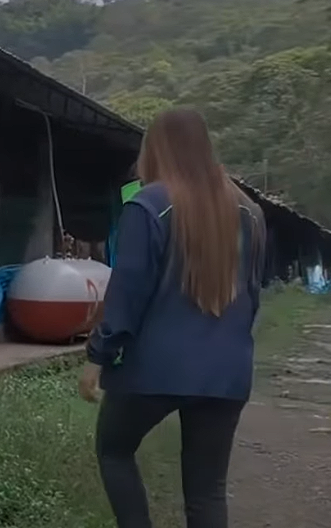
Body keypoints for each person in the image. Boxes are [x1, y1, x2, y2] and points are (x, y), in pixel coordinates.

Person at [79, 107, 265, 528]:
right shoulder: (249, 211)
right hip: (227, 373)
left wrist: (98, 356)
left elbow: (128, 291)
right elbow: (253, 295)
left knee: (114, 449)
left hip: (156, 369)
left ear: (156, 149)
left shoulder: (149, 204)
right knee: (207, 491)